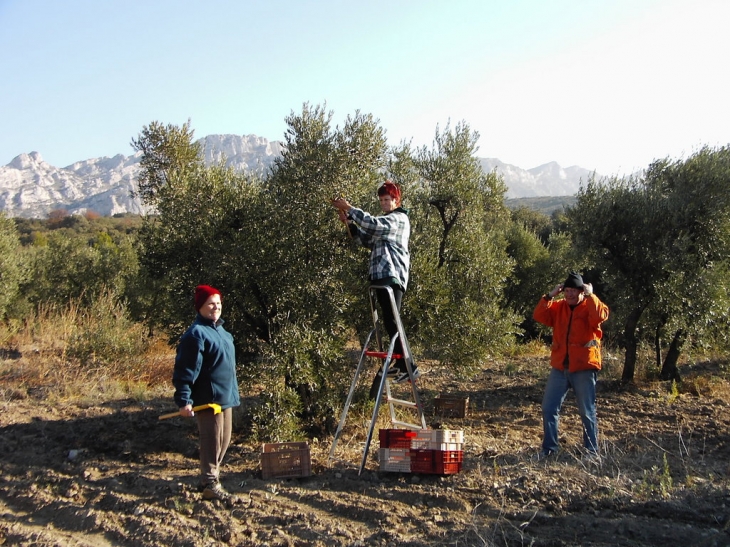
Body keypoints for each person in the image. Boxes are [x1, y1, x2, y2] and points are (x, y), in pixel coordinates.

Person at [331, 181, 420, 399]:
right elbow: (366, 239)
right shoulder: (386, 222)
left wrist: (351, 209)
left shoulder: (398, 219)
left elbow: (374, 225)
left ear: (396, 200)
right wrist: (350, 223)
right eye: (381, 200)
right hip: (381, 276)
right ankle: (401, 364)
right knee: (390, 322)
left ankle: (409, 366)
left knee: (393, 320)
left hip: (393, 275)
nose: (384, 203)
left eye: (387, 200)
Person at [172, 284, 241, 503]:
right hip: (208, 401)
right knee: (211, 441)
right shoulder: (195, 335)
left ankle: (207, 480)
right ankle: (210, 483)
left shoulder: (223, 332)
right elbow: (186, 370)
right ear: (200, 306)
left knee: (224, 442)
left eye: (218, 303)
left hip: (226, 398)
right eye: (211, 303)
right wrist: (184, 400)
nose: (215, 307)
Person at [533, 271, 609, 462]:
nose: (569, 294)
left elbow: (600, 316)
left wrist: (591, 295)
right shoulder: (559, 307)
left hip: (584, 367)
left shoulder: (590, 305)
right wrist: (549, 296)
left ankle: (591, 452)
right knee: (548, 408)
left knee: (587, 411)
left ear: (581, 291)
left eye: (573, 291)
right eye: (566, 291)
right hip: (560, 368)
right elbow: (539, 315)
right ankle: (549, 449)